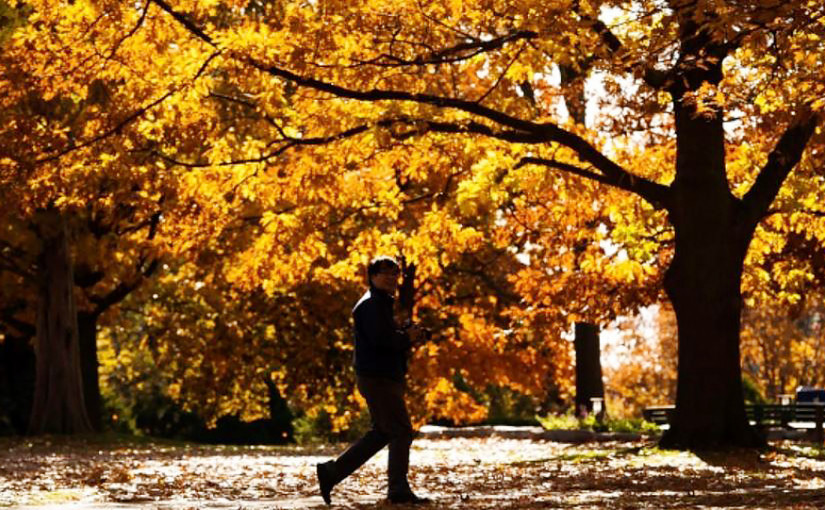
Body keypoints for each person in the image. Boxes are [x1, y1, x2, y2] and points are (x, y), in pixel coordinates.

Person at [316, 256, 429, 505]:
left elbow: (384, 338)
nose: (391, 278)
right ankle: (398, 490)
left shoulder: (380, 303)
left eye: (395, 274)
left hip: (381, 375)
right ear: (373, 276)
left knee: (382, 433)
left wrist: (407, 334)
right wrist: (407, 338)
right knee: (400, 431)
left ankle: (332, 472)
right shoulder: (370, 305)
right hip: (378, 377)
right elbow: (382, 343)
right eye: (385, 273)